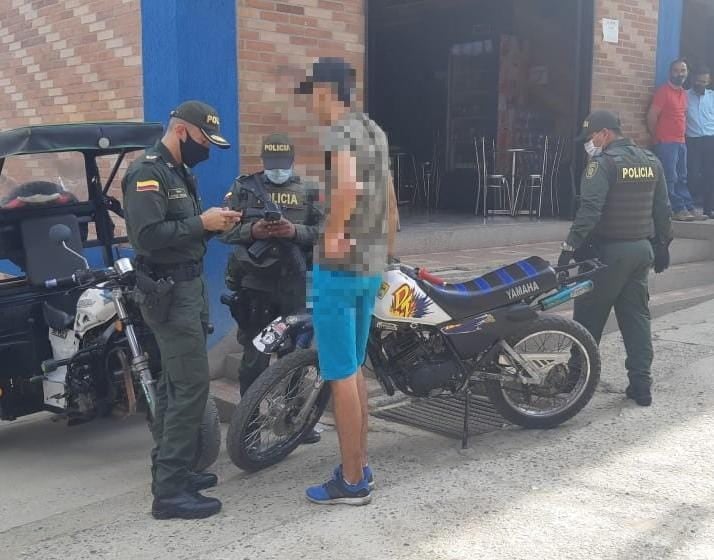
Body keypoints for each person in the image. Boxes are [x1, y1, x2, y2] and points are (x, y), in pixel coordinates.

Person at [122, 100, 241, 520]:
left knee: (174, 384)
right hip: (169, 293)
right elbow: (147, 236)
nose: (206, 148)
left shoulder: (179, 172)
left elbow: (182, 234)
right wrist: (201, 224)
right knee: (190, 387)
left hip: (188, 286)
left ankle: (171, 472)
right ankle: (170, 493)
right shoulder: (148, 172)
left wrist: (213, 225)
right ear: (182, 131)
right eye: (204, 140)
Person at [296, 57, 399, 505]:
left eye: (312, 97)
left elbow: (347, 188)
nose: (312, 107)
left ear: (325, 91)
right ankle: (360, 463)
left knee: (340, 372)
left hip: (338, 270)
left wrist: (334, 234)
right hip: (370, 266)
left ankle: (352, 481)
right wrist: (385, 250)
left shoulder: (339, 133)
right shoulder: (375, 132)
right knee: (354, 368)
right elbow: (390, 200)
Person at [558, 110, 673, 408]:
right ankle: (641, 384)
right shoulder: (651, 161)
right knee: (636, 318)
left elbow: (590, 211)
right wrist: (663, 244)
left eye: (591, 137)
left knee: (588, 317)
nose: (590, 143)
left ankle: (575, 378)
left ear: (605, 133)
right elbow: (663, 207)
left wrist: (569, 249)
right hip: (641, 251)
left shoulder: (603, 164)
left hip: (608, 254)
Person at [221, 133, 322, 444]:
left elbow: (326, 231)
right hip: (256, 287)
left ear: (292, 160)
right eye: (272, 163)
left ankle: (295, 421)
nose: (277, 169)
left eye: (283, 163)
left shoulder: (308, 191)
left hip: (294, 284)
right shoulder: (245, 188)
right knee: (254, 358)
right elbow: (224, 231)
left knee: (295, 356)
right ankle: (249, 429)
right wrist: (253, 230)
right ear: (263, 160)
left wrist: (294, 231)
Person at [647, 58, 705, 221]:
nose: (680, 74)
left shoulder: (684, 94)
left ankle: (688, 207)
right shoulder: (663, 92)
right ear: (670, 73)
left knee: (682, 176)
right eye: (676, 71)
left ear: (687, 73)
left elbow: (683, 116)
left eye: (683, 70)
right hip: (666, 142)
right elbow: (652, 116)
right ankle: (676, 209)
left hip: (680, 142)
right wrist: (656, 138)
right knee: (670, 177)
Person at [686, 66, 714, 218]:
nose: (700, 84)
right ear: (692, 80)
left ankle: (709, 209)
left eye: (704, 81)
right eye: (698, 81)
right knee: (692, 174)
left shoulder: (712, 96)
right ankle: (690, 207)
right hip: (692, 140)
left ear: (708, 81)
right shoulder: (684, 96)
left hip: (710, 139)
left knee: (710, 174)